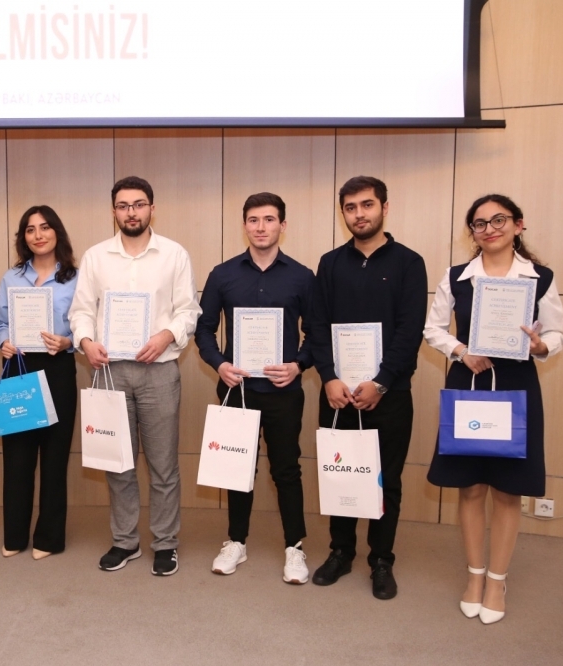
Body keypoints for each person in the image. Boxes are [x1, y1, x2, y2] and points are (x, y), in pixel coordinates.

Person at [425, 194, 563, 624]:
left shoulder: (539, 277)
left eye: (499, 220)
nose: (490, 229)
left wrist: (540, 346)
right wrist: (461, 351)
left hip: (516, 386)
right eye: (480, 223)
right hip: (469, 383)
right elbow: (432, 328)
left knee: (507, 489)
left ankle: (497, 581)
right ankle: (474, 576)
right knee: (470, 487)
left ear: (518, 225)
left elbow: (556, 334)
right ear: (472, 231)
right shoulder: (456, 277)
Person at [69, 176, 201, 576]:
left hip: (158, 372)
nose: (132, 212)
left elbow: (188, 311)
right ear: (114, 211)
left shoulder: (174, 254)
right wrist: (86, 341)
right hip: (109, 373)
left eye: (139, 204)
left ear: (151, 209)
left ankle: (165, 543)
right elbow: (81, 311)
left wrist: (165, 336)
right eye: (124, 206)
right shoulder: (95, 257)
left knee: (163, 466)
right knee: (117, 463)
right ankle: (125, 541)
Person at [308, 175, 427, 600]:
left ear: (384, 208)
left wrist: (381, 382)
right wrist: (328, 376)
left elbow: (410, 331)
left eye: (367, 205)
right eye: (350, 207)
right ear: (343, 213)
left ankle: (381, 559)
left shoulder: (409, 263)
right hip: (337, 393)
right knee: (340, 474)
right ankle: (341, 552)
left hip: (389, 394)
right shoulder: (330, 263)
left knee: (385, 480)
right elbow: (316, 325)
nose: (359, 214)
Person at [195, 192, 313, 582]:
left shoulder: (302, 276)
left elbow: (317, 333)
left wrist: (298, 365)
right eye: (253, 220)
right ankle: (236, 541)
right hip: (238, 389)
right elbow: (204, 330)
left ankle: (295, 547)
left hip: (283, 392)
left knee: (286, 470)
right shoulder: (222, 274)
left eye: (269, 219)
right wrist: (220, 364)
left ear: (283, 225)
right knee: (237, 468)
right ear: (244, 225)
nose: (261, 227)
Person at [0, 206, 78, 560]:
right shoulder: (11, 278)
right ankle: (14, 535)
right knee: (17, 457)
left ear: (57, 232)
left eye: (44, 227)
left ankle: (49, 538)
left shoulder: (77, 278)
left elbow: (87, 325)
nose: (38, 235)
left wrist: (68, 341)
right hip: (20, 367)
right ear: (23, 237)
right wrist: (3, 342)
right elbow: (0, 324)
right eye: (30, 229)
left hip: (58, 368)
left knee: (55, 458)